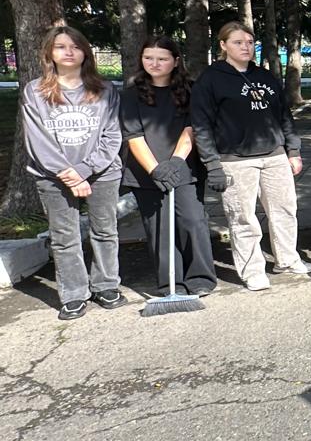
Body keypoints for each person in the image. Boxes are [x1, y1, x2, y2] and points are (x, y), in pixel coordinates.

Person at [191, 21, 309, 291]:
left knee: (284, 211)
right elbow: (201, 125)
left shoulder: (265, 76)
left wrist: (293, 150)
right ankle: (252, 270)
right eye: (237, 42)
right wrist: (212, 165)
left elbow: (283, 115)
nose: (245, 47)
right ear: (223, 45)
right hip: (235, 160)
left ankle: (287, 260)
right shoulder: (211, 79)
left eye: (249, 42)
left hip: (274, 156)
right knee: (242, 217)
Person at [22, 26, 124, 320]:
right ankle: (74, 294)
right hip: (53, 176)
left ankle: (106, 285)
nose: (69, 52)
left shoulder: (105, 89)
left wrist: (84, 170)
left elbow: (112, 136)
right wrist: (68, 174)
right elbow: (37, 140)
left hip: (102, 172)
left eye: (75, 46)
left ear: (85, 53)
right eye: (60, 47)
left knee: (105, 231)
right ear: (49, 53)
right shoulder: (35, 91)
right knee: (64, 236)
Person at [120, 36, 217, 298]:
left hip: (184, 166)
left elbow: (192, 127)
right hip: (146, 171)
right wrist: (155, 169)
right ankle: (170, 282)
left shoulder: (192, 90)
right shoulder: (130, 95)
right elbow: (133, 137)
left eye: (162, 58)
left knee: (192, 220)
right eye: (148, 58)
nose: (155, 63)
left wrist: (175, 162)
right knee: (159, 228)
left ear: (175, 61)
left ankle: (200, 277)